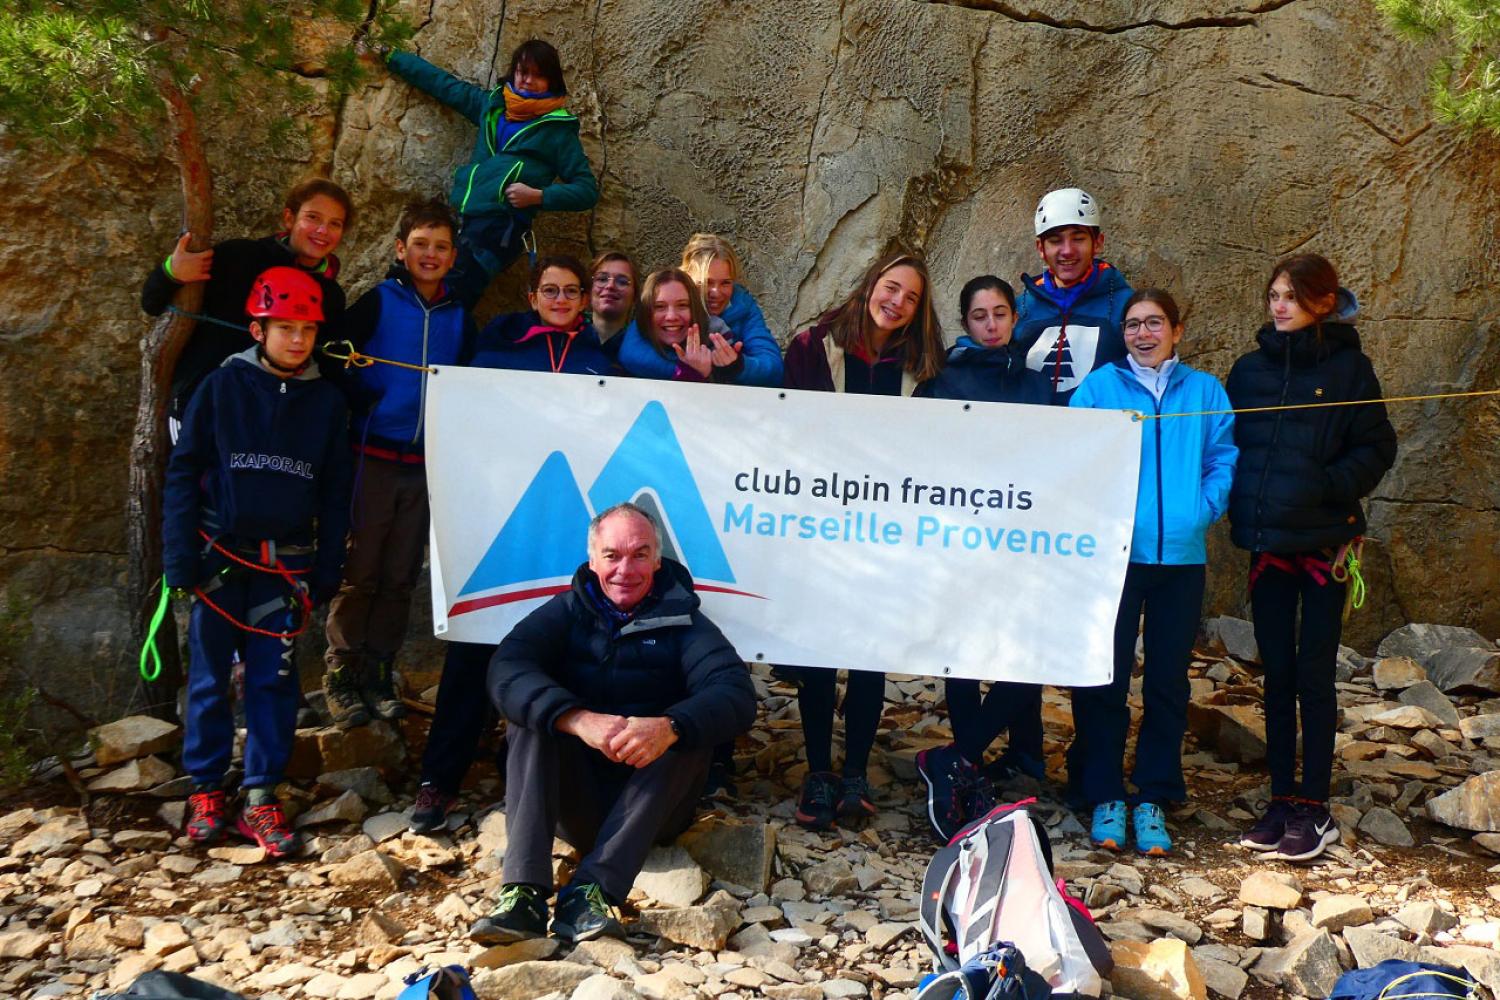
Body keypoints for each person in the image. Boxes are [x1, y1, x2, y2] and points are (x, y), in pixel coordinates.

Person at [468, 503, 755, 944]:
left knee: (691, 731)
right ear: (592, 560)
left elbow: (735, 692)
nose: (626, 569)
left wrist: (668, 727)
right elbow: (506, 668)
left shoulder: (686, 622)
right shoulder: (565, 612)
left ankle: (593, 891)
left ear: (658, 561)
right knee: (533, 718)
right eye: (612, 555)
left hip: (652, 807)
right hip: (573, 800)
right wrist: (576, 719)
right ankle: (522, 894)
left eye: (640, 555)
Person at [410, 253, 613, 835]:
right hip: (495, 529)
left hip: (569, 535)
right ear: (531, 295)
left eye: (571, 290)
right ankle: (439, 779)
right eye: (550, 290)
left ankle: (531, 773)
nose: (560, 299)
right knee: (473, 649)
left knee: (558, 654)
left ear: (583, 300)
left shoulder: (600, 364)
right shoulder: (497, 353)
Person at [163, 267, 352, 859]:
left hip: (286, 564)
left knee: (274, 681)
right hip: (220, 557)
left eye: (306, 329)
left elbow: (336, 491)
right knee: (208, 678)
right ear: (257, 329)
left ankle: (261, 794)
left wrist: (328, 565)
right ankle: (204, 788)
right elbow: (184, 472)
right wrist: (178, 557)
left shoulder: (326, 401)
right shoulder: (221, 388)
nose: (297, 339)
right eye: (285, 328)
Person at [1227, 254, 1396, 863]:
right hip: (1270, 547)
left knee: (1315, 675)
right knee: (1275, 676)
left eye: (1292, 297)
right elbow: (1229, 447)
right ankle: (1281, 798)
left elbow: (1378, 446)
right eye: (1273, 294)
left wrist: (1326, 487)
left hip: (1325, 546)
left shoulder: (1352, 370)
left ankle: (1315, 806)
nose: (1279, 306)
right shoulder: (1247, 372)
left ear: (1324, 302)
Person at [1067, 289, 1238, 856]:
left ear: (1177, 330)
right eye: (1134, 324)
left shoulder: (1206, 390)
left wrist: (1202, 508)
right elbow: (1076, 459)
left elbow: (1222, 457)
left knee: (1168, 680)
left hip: (1181, 559)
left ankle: (1155, 792)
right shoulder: (1098, 389)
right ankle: (1104, 790)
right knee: (1105, 677)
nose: (1143, 333)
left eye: (1154, 323)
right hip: (1115, 557)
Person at [781, 250, 945, 830]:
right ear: (871, 282)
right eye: (891, 287)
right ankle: (819, 772)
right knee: (821, 652)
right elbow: (786, 427)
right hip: (821, 523)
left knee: (869, 652)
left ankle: (856, 771)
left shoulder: (923, 364)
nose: (896, 302)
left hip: (886, 527)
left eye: (911, 298)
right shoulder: (813, 347)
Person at [322, 199, 476, 731]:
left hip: (425, 463)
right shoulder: (379, 302)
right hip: (373, 455)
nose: (429, 255)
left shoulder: (459, 314)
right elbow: (329, 351)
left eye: (440, 247)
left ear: (453, 255)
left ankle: (380, 671)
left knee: (401, 574)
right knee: (360, 568)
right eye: (420, 246)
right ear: (400, 250)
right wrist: (362, 392)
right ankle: (342, 673)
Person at [913, 276, 1050, 842]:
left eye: (999, 314)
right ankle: (965, 772)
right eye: (979, 316)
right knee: (963, 655)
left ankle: (959, 757)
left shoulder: (1040, 385)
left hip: (1021, 539)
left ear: (1015, 317)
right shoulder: (942, 379)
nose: (991, 325)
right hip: (959, 535)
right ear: (963, 322)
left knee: (1028, 656)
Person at [381, 39, 599, 310]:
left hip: (499, 228)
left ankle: (445, 350)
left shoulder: (557, 130)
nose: (528, 81)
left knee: (453, 294)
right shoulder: (492, 107)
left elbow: (587, 190)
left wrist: (539, 196)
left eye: (538, 75)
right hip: (460, 219)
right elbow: (444, 85)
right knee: (408, 281)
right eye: (523, 71)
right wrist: (389, 54)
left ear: (552, 82)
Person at [141, 178, 353, 431]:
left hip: (268, 415)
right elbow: (152, 303)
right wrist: (171, 273)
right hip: (199, 401)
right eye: (313, 218)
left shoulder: (330, 294)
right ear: (289, 218)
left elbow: (322, 361)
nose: (322, 231)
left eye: (334, 224)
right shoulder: (239, 257)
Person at [1012, 187, 1133, 406]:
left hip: (1101, 435)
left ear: (1097, 243)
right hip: (1031, 434)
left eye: (1078, 239)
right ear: (1041, 247)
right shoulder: (1019, 308)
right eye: (1056, 241)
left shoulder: (1127, 305)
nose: (1067, 251)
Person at [618, 234, 783, 386]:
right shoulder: (669, 303)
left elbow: (773, 367)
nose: (716, 292)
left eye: (725, 283)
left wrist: (737, 366)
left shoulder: (742, 305)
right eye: (705, 283)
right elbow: (631, 353)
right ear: (686, 279)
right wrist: (692, 370)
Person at [628, 268, 744, 381]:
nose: (671, 316)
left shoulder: (716, 333)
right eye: (660, 307)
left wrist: (729, 368)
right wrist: (690, 375)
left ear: (695, 309)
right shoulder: (636, 341)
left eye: (682, 305)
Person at [588, 251, 638, 362]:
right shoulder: (566, 340)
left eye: (622, 282)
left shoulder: (643, 349)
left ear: (635, 296)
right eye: (602, 279)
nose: (610, 286)